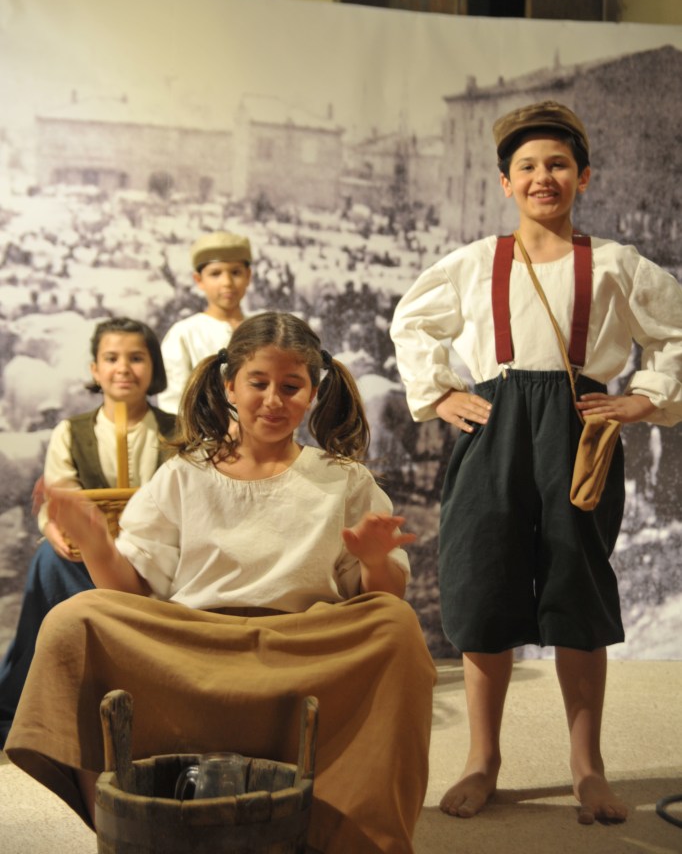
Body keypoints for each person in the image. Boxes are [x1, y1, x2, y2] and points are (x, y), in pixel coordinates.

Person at [5, 312, 436, 854]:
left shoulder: (342, 478)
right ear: (230, 385)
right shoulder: (186, 473)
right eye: (258, 383)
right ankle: (125, 824)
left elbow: (380, 601)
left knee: (396, 624)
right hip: (194, 646)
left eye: (290, 387)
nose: (273, 400)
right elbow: (130, 594)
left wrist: (374, 561)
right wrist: (95, 543)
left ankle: (361, 831)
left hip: (303, 648)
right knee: (75, 618)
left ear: (313, 393)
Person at [390, 100, 682, 826]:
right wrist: (440, 394)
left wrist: (643, 398)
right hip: (494, 431)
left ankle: (588, 767)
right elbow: (412, 322)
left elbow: (675, 331)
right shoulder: (473, 263)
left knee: (575, 588)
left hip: (577, 433)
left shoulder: (615, 264)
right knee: (483, 584)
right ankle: (482, 759)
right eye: (527, 167)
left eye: (558, 164)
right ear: (505, 182)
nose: (542, 177)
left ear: (584, 176)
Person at [0, 317, 176, 746]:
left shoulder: (178, 429)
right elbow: (57, 495)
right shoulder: (71, 431)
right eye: (111, 358)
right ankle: (24, 702)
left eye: (136, 358)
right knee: (48, 559)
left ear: (153, 367)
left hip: (155, 560)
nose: (123, 368)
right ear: (95, 369)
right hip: (85, 559)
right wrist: (54, 527)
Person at [157, 229, 253, 413]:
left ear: (248, 275)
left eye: (235, 272)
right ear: (199, 280)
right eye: (215, 274)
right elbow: (174, 404)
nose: (227, 282)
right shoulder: (184, 334)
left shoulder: (265, 330)